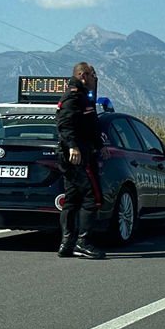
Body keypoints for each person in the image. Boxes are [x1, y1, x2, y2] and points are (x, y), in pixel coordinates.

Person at [56, 62, 109, 259]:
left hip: (82, 151)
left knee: (72, 199)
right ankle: (82, 242)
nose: (96, 79)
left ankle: (67, 244)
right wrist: (73, 146)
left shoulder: (84, 96)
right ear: (83, 75)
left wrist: (100, 145)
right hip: (77, 156)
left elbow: (90, 125)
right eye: (93, 75)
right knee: (92, 196)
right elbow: (64, 124)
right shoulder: (73, 96)